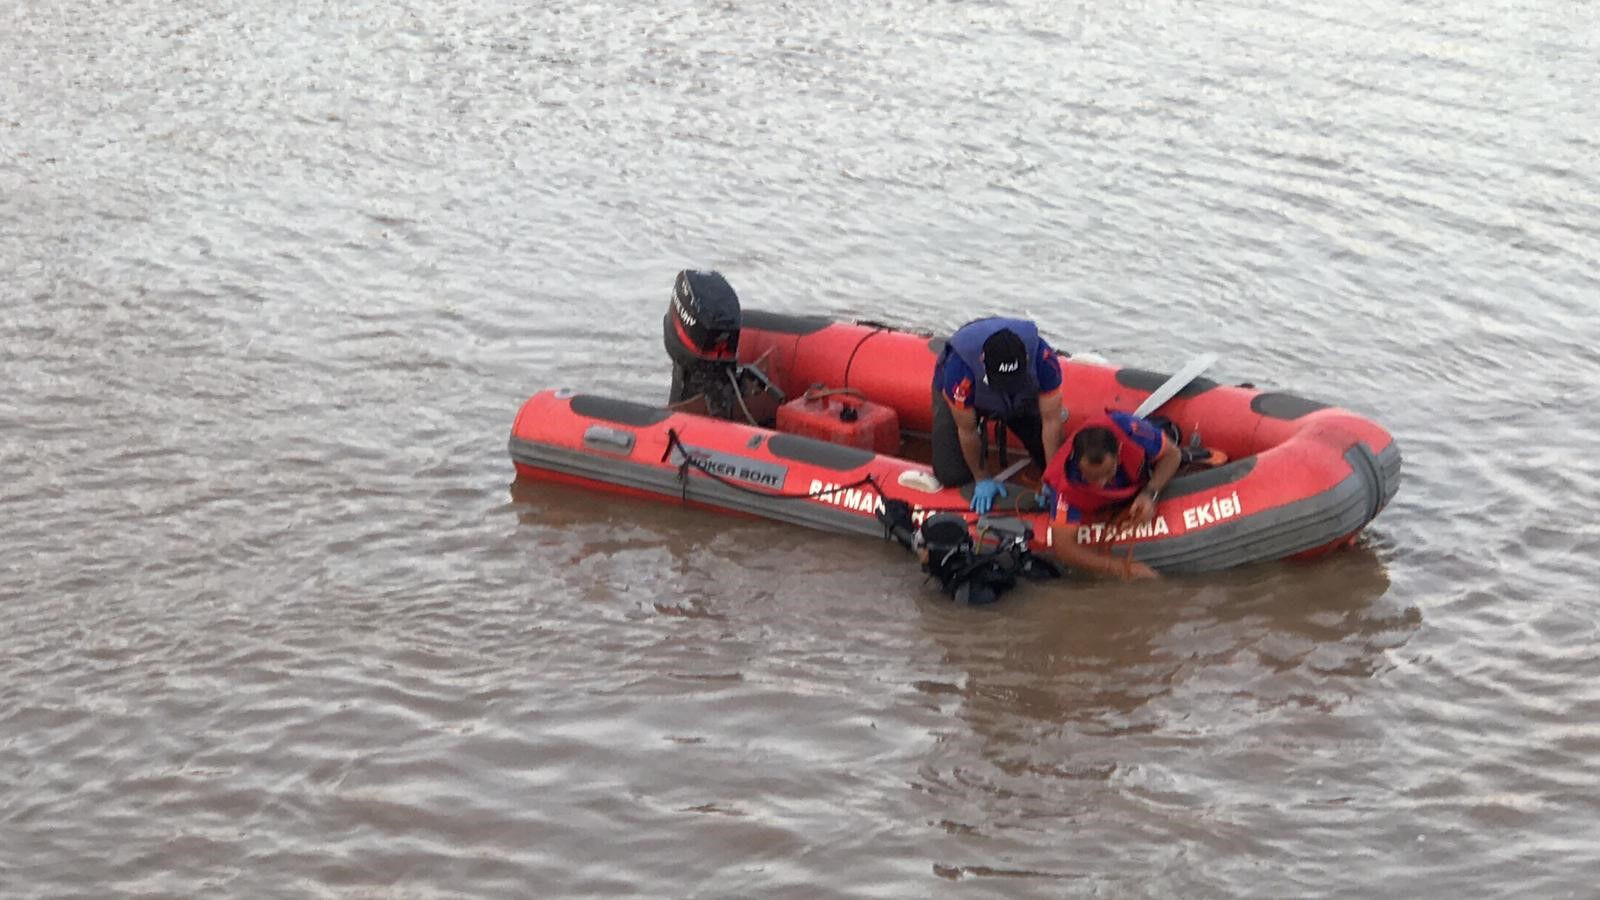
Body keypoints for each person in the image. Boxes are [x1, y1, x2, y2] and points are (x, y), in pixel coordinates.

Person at [931, 318, 1064, 512]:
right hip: (972, 399)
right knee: (950, 474)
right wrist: (982, 478)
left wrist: (1054, 478)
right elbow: (966, 431)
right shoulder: (959, 370)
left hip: (1021, 400)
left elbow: (1051, 421)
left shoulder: (1044, 359)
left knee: (1058, 463)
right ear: (983, 362)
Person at [1040, 410, 1181, 580]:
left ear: (1119, 454)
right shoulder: (1065, 483)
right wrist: (1118, 567)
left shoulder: (1131, 430)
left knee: (1165, 431)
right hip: (1097, 502)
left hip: (1138, 476)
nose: (1101, 483)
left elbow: (1173, 455)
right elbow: (1064, 547)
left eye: (1108, 473)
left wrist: (1149, 493)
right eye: (1091, 477)